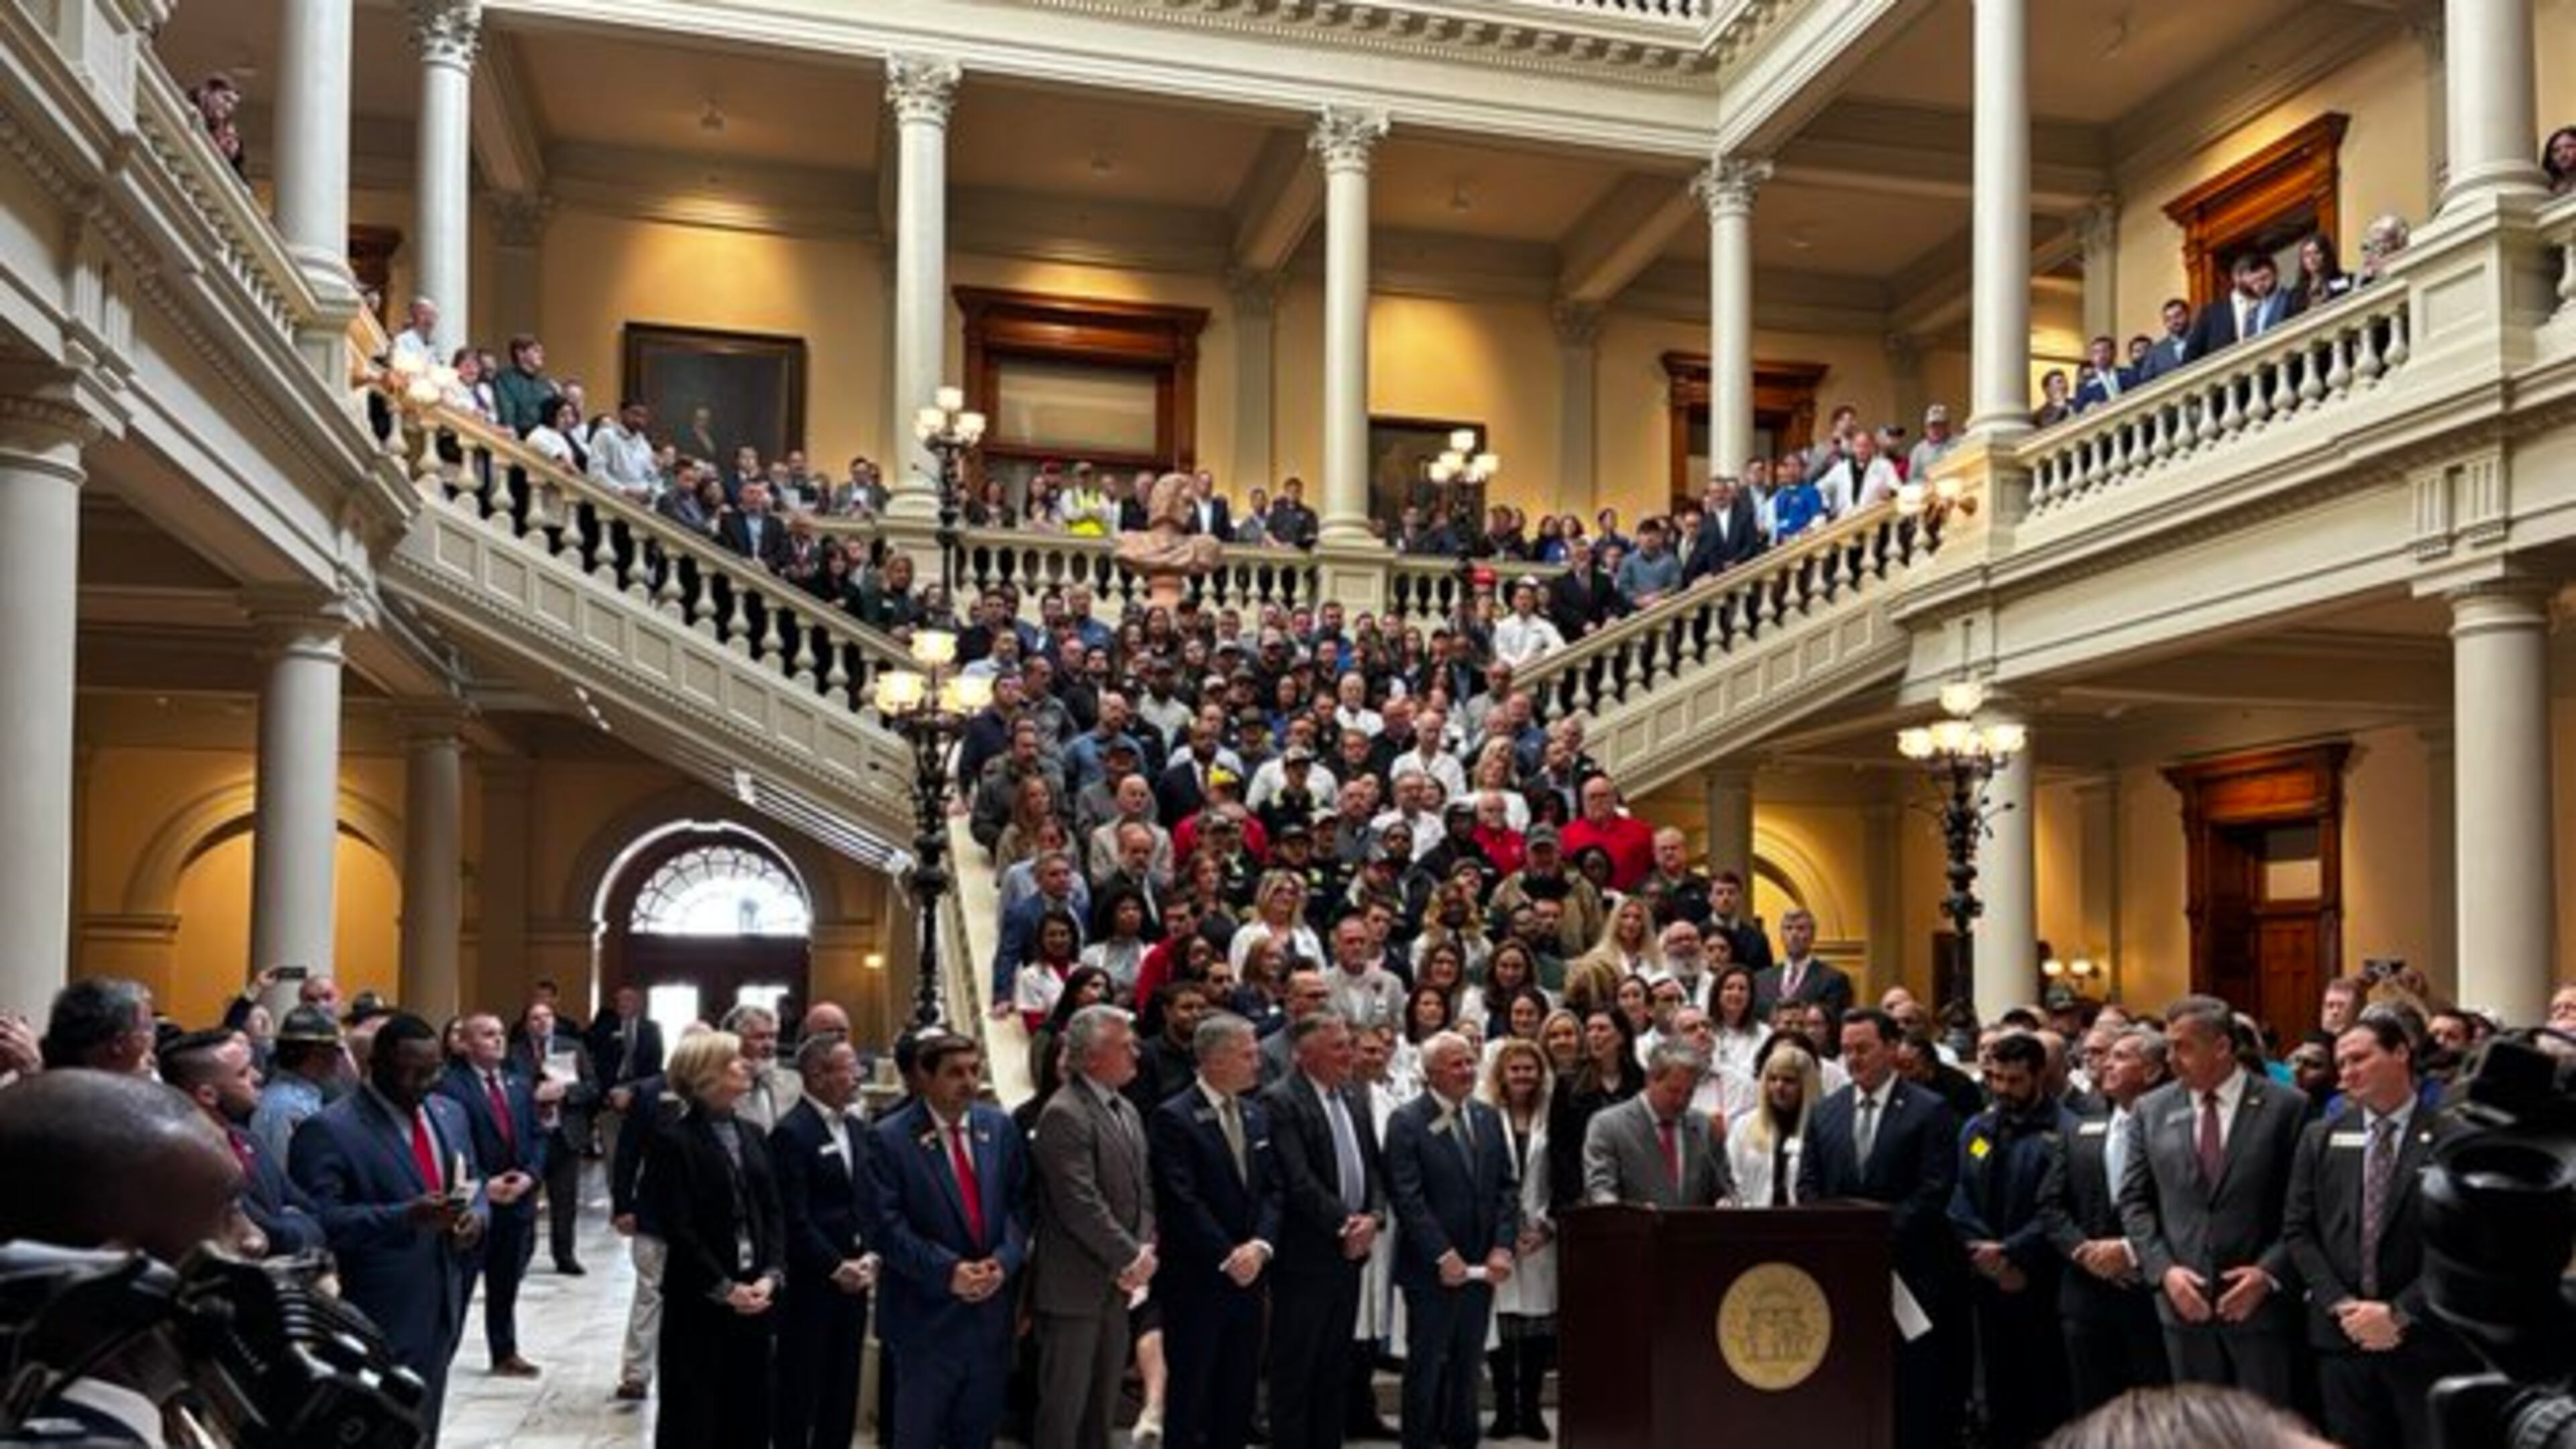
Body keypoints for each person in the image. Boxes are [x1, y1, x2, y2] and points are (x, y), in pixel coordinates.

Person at [288, 1012, 488, 1442]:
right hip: (376, 1308)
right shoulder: (329, 1129)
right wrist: (406, 1216)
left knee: (423, 1421)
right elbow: (318, 1222)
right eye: (409, 1072)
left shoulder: (448, 1113)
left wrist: (476, 1217)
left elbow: (475, 1179)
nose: (422, 1083)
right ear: (375, 1064)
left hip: (442, 1294)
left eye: (432, 1071)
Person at [2282, 1014, 2472, 1449]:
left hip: (2426, 1340)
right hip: (2342, 1338)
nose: (2347, 1072)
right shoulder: (2321, 1136)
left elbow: (2463, 1244)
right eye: (2341, 1062)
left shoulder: (2452, 1137)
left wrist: (2399, 1314)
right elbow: (2298, 1230)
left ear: (2402, 1052)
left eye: (2359, 1058)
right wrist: (2344, 1306)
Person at [2116, 996, 2308, 1409]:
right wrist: (2164, 1272)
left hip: (2261, 1309)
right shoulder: (2152, 1109)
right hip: (2183, 1307)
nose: (2170, 1059)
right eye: (2167, 1047)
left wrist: (2267, 1273)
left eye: (2182, 1047)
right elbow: (2134, 1201)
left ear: (2222, 1047)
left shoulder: (2286, 1107)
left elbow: (2303, 1208)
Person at [1798, 1008, 1964, 1449]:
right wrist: (1842, 1239)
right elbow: (1808, 1185)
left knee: (1912, 1388)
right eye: (1846, 1050)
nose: (1853, 1059)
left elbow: (1935, 1190)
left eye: (1863, 1049)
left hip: (1911, 1271)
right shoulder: (1826, 1112)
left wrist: (1874, 1235)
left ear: (1892, 1049)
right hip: (1843, 1275)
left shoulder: (1930, 1110)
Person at [869, 1032, 1030, 1449]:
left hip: (990, 1316)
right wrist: (948, 1271)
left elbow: (1020, 1206)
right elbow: (884, 1227)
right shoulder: (889, 1138)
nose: (969, 1082)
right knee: (918, 1435)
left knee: (976, 1435)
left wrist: (1004, 1261)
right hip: (925, 1317)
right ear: (925, 1076)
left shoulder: (999, 1127)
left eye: (975, 1071)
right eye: (956, 1073)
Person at [641, 1028, 785, 1449]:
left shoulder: (754, 1134)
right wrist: (724, 1288)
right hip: (700, 1300)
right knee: (697, 1415)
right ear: (705, 1077)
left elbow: (772, 1211)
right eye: (733, 1061)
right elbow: (679, 1229)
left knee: (752, 1412)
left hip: (756, 1292)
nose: (745, 1065)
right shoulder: (674, 1141)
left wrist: (772, 1275)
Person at [1149, 1012, 1283, 1449]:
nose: (1257, 1063)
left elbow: (1273, 1190)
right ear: (1217, 1059)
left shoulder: (1255, 1113)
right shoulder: (1175, 1117)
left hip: (1250, 1279)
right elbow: (1181, 1200)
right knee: (1191, 1393)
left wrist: (1260, 1247)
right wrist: (1229, 1255)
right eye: (1248, 1054)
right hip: (1198, 1279)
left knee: (1237, 1393)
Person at [1030, 1005, 1159, 1449]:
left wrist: (1142, 1250)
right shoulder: (1065, 1112)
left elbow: (1143, 1190)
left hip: (1118, 1284)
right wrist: (1131, 1255)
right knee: (1064, 1410)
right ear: (1092, 1056)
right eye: (1125, 1046)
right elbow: (1078, 1202)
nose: (1136, 1053)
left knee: (1100, 1412)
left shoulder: (1127, 1109)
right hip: (1075, 1288)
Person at [1384, 1031, 1519, 1449]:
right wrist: (1442, 1254)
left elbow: (1506, 1189)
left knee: (1468, 1366)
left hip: (1481, 1268)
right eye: (1456, 1064)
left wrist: (1502, 1245)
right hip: (1431, 1273)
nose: (1467, 1070)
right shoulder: (1406, 1121)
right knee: (1425, 1366)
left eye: (1469, 1062)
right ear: (1430, 1073)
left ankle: (1463, 1440)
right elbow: (1408, 1198)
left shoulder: (1486, 1116)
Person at [1263, 1012, 1386, 1449]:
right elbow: (1297, 1179)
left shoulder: (1353, 1095)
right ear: (1306, 1054)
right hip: (1306, 1256)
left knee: (1335, 1367)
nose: (1349, 1055)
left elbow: (1372, 1164)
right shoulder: (1281, 1100)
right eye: (1338, 1048)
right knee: (1296, 1369)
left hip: (1350, 1255)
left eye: (1349, 1045)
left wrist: (1373, 1217)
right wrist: (1345, 1223)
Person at [2041, 1026, 2176, 1415]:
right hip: (2086, 1294)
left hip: (2149, 1294)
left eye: (2119, 1057)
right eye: (2104, 1057)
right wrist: (2085, 1252)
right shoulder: (2081, 1125)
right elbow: (2051, 1204)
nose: (2104, 1065)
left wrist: (2132, 1252)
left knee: (2152, 1412)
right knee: (2093, 1409)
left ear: (2151, 1071)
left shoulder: (2173, 1125)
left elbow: (2185, 1206)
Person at [1949, 1032, 2071, 1447]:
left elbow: (2059, 1209)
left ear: (2039, 1076)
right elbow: (1960, 1196)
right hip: (1985, 1277)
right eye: (1995, 1079)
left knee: (2043, 1392)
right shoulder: (1977, 1129)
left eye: (2014, 1081)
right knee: (1996, 1393)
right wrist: (1986, 1255)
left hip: (2041, 1280)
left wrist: (2014, 1254)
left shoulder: (2066, 1132)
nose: (2003, 1089)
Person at [770, 1032, 879, 1449]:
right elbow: (793, 1218)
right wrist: (836, 1266)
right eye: (849, 1067)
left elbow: (866, 1199)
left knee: (843, 1386)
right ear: (818, 1075)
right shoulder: (791, 1133)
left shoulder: (855, 1126)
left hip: (855, 1280)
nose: (858, 1076)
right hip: (810, 1284)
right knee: (800, 1388)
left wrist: (869, 1255)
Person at [436, 1013, 545, 1378]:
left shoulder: (518, 1083)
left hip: (517, 1198)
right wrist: (485, 1186)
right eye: (486, 1035)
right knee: (462, 1283)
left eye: (500, 1034)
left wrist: (529, 1177)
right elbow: (452, 1147)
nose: (497, 1040)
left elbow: (537, 1137)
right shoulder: (449, 1087)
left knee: (506, 1280)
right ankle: (443, 1352)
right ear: (465, 1044)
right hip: (477, 1201)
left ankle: (504, 1351)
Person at [158, 1028, 325, 1256]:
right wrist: (291, 1220)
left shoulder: (248, 1140)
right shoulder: (189, 1159)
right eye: (243, 1073)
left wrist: (293, 1221)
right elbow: (269, 1236)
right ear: (208, 1095)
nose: (257, 1077)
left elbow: (312, 1212)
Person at [1582, 1040, 1734, 1208]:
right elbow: (1600, 1192)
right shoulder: (1608, 1125)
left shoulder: (1703, 1126)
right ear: (1650, 1080)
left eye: (1689, 1093)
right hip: (1635, 1232)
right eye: (1673, 1091)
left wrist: (1726, 1202)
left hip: (1694, 1232)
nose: (1681, 1101)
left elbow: (1726, 1188)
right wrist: (1629, 1215)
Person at [505, 1000, 595, 1275]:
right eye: (535, 1018)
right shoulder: (514, 1053)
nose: (542, 1022)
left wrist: (566, 1092)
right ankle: (522, 1255)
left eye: (547, 1016)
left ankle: (565, 1255)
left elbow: (593, 1086)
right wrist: (532, 1095)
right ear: (526, 1024)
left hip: (564, 1134)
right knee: (526, 1201)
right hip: (530, 1137)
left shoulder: (574, 1048)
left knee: (565, 1201)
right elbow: (505, 1090)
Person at [1728, 1036, 1819, 1206]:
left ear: (1806, 1085)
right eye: (1773, 1079)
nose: (1779, 1086)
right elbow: (1731, 1179)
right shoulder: (1744, 1125)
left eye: (1789, 1080)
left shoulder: (1820, 1127)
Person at [1754, 907, 1854, 1021]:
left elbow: (1835, 1023)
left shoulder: (1834, 980)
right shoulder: (1761, 980)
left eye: (1801, 929)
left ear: (1812, 935)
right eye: (1788, 928)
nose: (1794, 935)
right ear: (1781, 935)